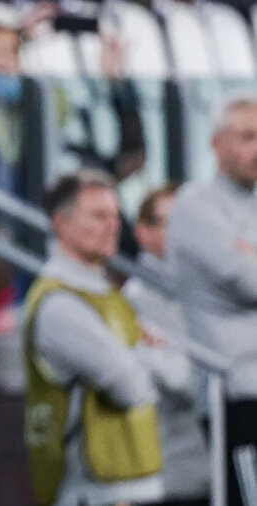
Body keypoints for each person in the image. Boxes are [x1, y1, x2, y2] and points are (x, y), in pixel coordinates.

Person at [23, 169, 163, 505]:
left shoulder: (107, 294)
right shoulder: (58, 304)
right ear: (61, 224)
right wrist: (150, 356)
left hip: (130, 481)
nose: (112, 225)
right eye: (99, 216)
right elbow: (134, 387)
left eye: (115, 215)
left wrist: (137, 358)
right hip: (93, 489)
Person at [167, 92, 257, 506]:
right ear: (216, 144)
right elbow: (248, 281)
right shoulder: (195, 205)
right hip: (234, 393)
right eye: (247, 137)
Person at [122, 184, 210, 506]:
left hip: (211, 468)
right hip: (170, 479)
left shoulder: (205, 291)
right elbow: (184, 382)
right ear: (142, 232)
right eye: (171, 223)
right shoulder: (133, 302)